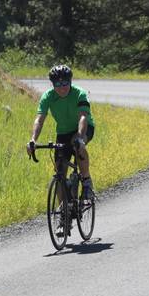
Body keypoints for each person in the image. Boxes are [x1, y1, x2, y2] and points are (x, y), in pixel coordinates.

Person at [26, 65, 96, 199]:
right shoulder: (48, 96)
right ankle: (64, 210)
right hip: (63, 131)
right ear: (52, 84)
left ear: (70, 82)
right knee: (59, 172)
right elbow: (39, 120)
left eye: (65, 83)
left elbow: (82, 117)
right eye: (58, 84)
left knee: (76, 143)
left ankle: (87, 182)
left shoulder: (79, 93)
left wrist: (81, 138)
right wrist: (33, 139)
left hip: (84, 127)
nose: (62, 87)